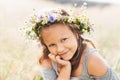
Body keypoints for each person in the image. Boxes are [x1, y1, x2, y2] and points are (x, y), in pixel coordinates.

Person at [24, 7, 120, 80]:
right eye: (52, 45)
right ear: (45, 45)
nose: (60, 49)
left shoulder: (92, 61)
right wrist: (65, 69)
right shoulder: (48, 60)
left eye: (64, 39)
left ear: (76, 34)